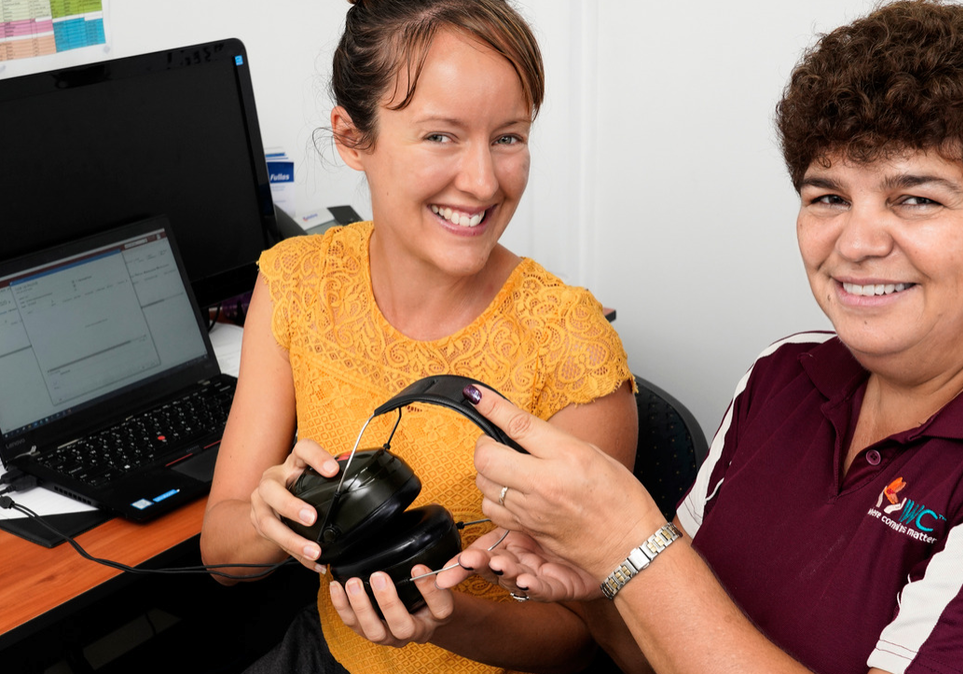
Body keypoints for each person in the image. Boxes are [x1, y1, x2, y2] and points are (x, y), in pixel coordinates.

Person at [442, 1, 963, 673]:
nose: (856, 242)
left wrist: (630, 549)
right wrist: (603, 584)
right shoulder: (785, 376)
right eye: (828, 195)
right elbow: (667, 649)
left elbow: (655, 578)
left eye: (916, 197)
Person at [198, 1, 638, 673]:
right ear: (353, 139)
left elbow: (582, 636)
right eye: (441, 136)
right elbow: (222, 559)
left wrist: (444, 618)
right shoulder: (294, 281)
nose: (484, 181)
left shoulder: (572, 347)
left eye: (510, 137)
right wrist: (275, 520)